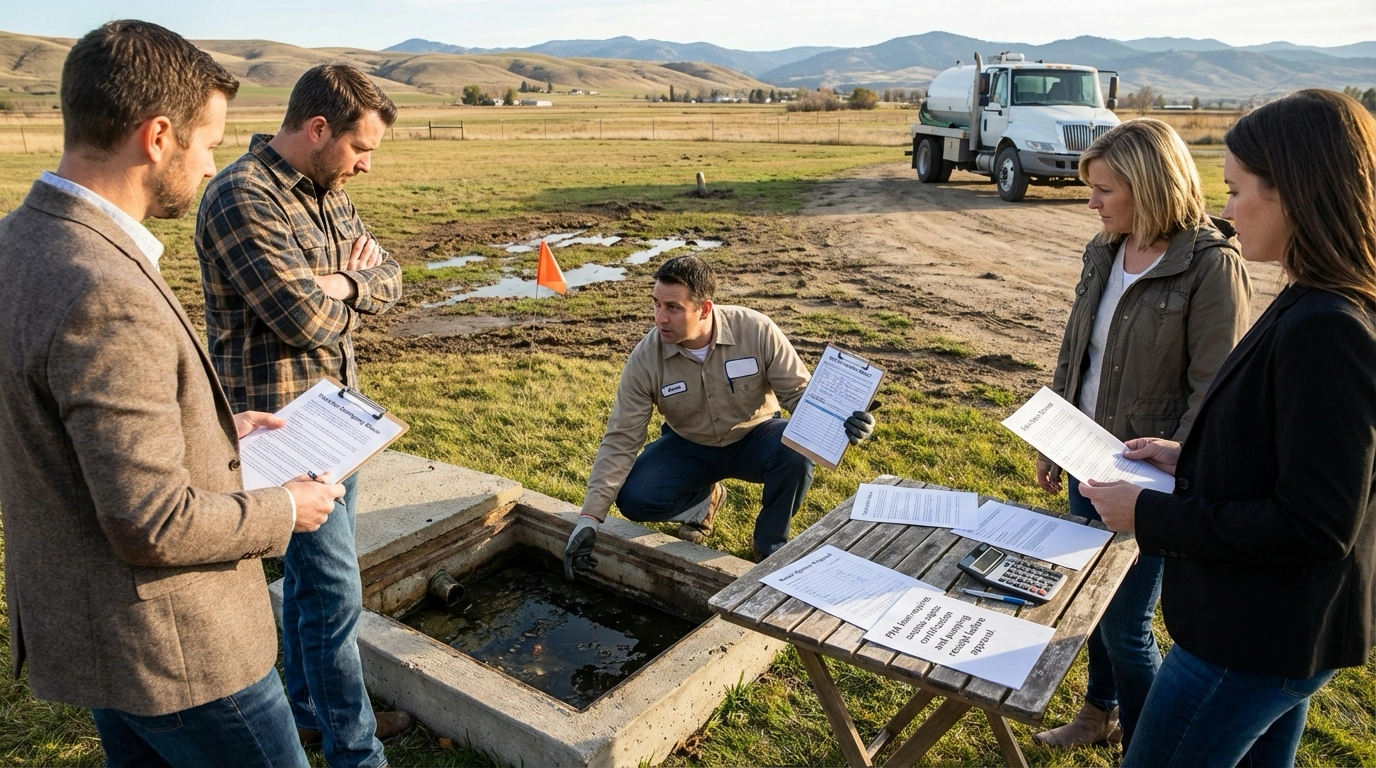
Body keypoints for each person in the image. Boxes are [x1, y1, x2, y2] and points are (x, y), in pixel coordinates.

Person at [0, 21, 345, 767]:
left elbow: (65, 437)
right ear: (159, 136)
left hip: (94, 630)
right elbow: (150, 521)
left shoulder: (17, 244)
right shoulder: (105, 289)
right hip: (179, 651)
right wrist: (289, 507)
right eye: (209, 141)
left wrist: (216, 433)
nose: (212, 161)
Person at [1080, 89, 1376, 767]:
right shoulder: (1315, 301)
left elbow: (1316, 522)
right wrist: (1189, 459)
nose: (1227, 210)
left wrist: (1149, 514)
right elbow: (1294, 457)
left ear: (1293, 194)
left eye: (1237, 190)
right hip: (1281, 633)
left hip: (1254, 637)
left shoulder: (1329, 328)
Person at [195, 64, 407, 766]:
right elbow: (300, 316)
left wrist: (340, 278)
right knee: (334, 593)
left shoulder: (329, 190)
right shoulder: (240, 196)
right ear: (318, 129)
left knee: (314, 587)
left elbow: (391, 278)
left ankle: (309, 708)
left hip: (339, 421)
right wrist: (339, 286)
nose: (367, 167)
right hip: (279, 433)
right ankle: (358, 751)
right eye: (360, 149)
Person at [1032, 118, 1252, 750]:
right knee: (1095, 609)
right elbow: (1077, 349)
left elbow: (1214, 390)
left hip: (1148, 476)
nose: (1091, 202)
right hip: (1083, 454)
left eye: (1104, 189)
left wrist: (1171, 478)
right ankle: (1100, 715)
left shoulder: (1211, 266)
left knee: (1125, 624)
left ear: (1148, 186)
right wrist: (1051, 436)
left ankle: (1150, 749)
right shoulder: (1103, 247)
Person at [564, 255, 875, 575]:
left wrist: (843, 422)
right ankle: (703, 501)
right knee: (633, 498)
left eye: (673, 308)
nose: (660, 318)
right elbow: (621, 439)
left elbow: (799, 394)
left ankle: (768, 545)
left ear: (705, 308)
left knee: (796, 452)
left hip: (755, 436)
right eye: (656, 304)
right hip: (689, 445)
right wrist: (589, 518)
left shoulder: (757, 330)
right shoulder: (646, 359)